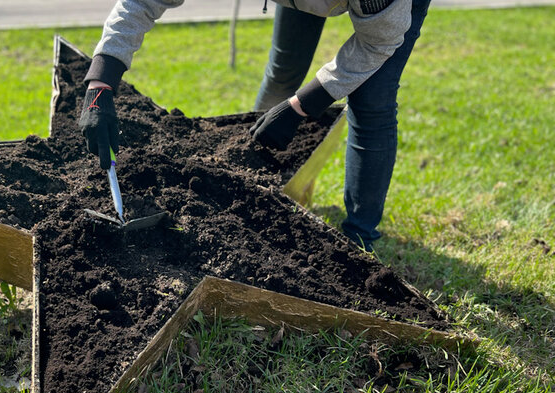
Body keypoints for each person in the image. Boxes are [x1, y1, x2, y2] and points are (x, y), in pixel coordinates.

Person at [79, 0, 432, 251]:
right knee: (282, 76)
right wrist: (102, 79)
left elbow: (378, 42)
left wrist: (302, 106)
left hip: (389, 17)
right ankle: (258, 187)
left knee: (372, 102)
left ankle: (360, 238)